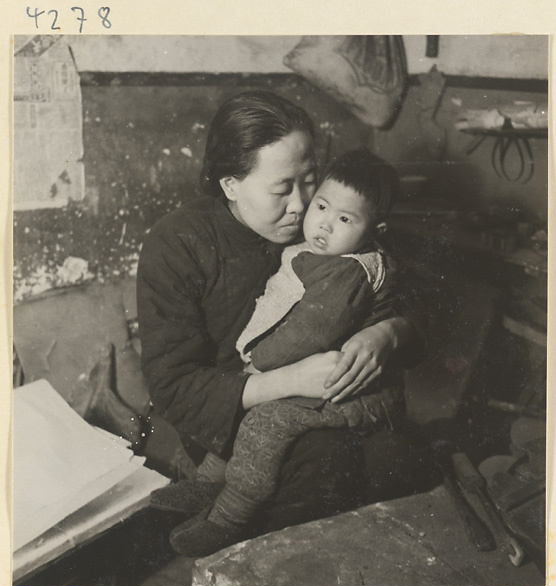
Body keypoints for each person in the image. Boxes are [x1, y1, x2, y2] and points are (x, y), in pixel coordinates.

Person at [137, 90, 424, 543]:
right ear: (230, 185)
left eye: (310, 180)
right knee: (319, 467)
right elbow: (174, 388)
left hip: (329, 395)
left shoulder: (331, 225)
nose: (303, 204)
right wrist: (290, 379)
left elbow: (392, 286)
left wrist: (390, 332)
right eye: (282, 189)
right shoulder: (177, 244)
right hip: (226, 411)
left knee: (392, 460)